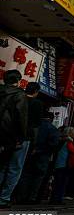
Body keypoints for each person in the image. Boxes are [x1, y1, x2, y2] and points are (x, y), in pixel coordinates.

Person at [17, 110, 59, 204]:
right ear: (51, 119)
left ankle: (21, 196)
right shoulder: (52, 129)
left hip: (30, 154)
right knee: (38, 177)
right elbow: (54, 144)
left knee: (26, 175)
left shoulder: (34, 127)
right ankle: (32, 197)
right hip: (43, 156)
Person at [0, 70, 29, 208]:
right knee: (12, 168)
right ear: (18, 81)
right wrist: (21, 137)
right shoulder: (19, 94)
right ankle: (3, 198)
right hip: (9, 136)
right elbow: (20, 117)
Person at [50, 127, 74, 204]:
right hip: (64, 163)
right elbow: (73, 150)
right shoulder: (68, 141)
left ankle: (55, 198)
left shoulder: (60, 140)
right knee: (61, 182)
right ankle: (58, 199)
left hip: (59, 163)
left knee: (58, 182)